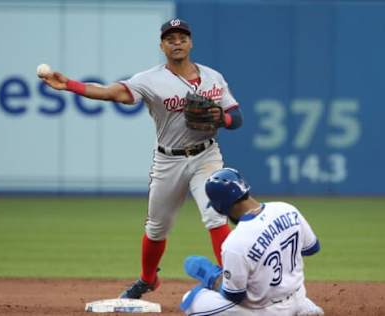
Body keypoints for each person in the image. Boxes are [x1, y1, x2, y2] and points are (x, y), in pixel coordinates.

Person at [38, 18, 243, 299]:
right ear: (162, 45)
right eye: (170, 38)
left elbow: (237, 117)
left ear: (191, 42)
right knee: (156, 229)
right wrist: (70, 85)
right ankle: (148, 279)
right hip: (168, 160)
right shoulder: (150, 79)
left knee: (215, 217)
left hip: (206, 156)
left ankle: (234, 283)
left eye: (182, 37)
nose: (177, 42)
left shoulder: (212, 77)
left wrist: (224, 117)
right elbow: (114, 92)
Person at [180, 168, 324, 316]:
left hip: (266, 310)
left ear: (221, 206)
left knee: (191, 300)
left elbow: (234, 295)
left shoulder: (235, 242)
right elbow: (312, 248)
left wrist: (211, 276)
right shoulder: (287, 208)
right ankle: (304, 306)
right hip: (297, 295)